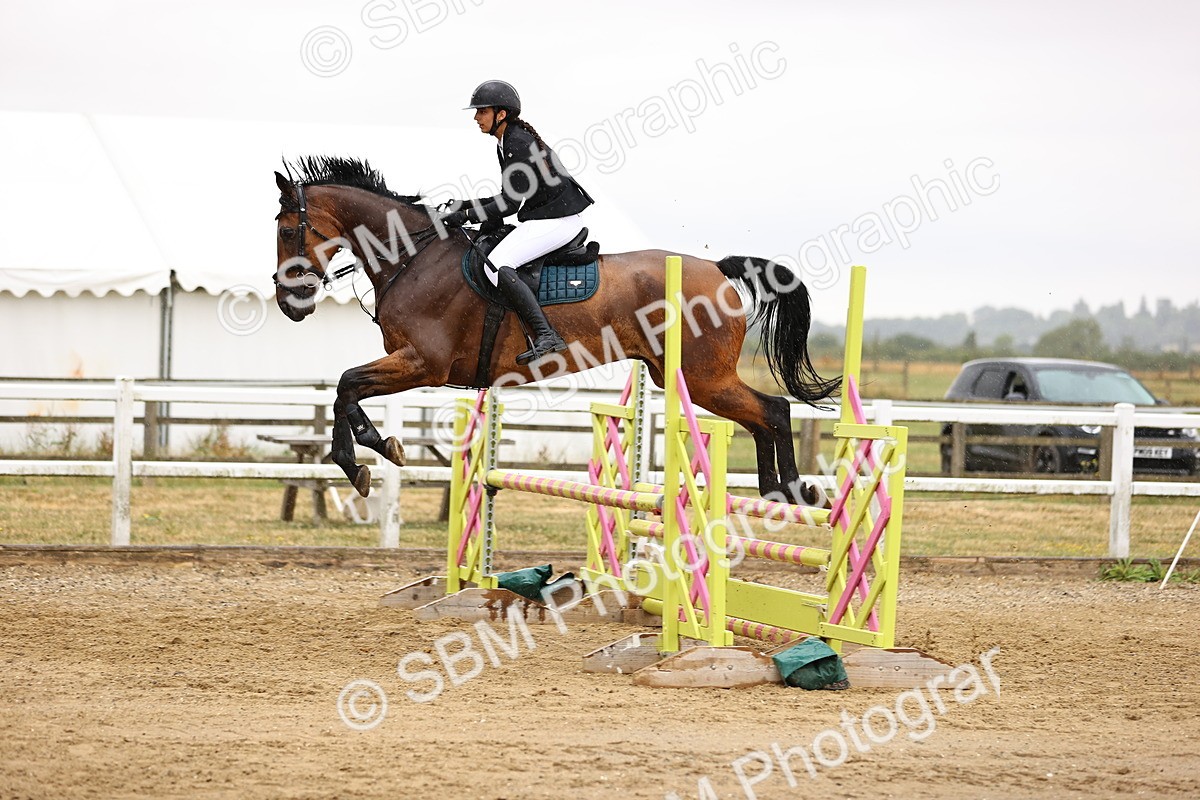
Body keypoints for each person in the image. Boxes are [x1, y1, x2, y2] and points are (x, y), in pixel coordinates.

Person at [440, 80, 594, 366]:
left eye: (482, 111)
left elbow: (510, 205)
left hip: (558, 221)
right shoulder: (508, 140)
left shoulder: (517, 143)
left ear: (501, 114)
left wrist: (467, 215)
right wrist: (466, 205)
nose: (476, 118)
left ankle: (546, 334)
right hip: (549, 216)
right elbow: (507, 196)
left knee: (497, 264)